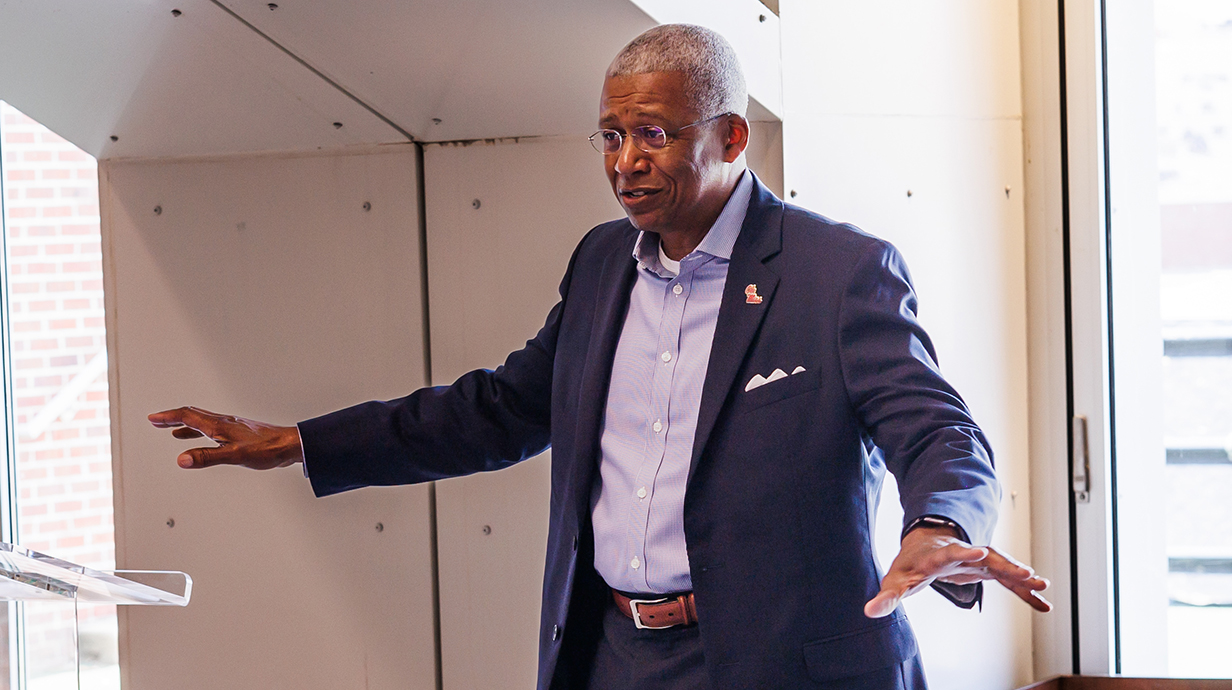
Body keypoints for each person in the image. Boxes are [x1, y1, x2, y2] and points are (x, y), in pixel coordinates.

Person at [149, 24, 1050, 690]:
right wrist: (301, 441)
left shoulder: (836, 271)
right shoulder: (598, 265)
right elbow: (499, 410)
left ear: (729, 138)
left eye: (653, 134)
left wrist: (943, 527)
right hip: (614, 656)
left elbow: (938, 428)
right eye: (612, 136)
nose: (625, 162)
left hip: (785, 662)